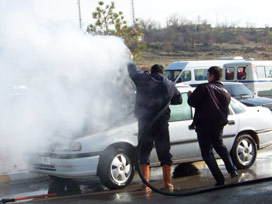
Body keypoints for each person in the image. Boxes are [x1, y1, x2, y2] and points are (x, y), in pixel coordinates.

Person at [127, 60, 182, 192]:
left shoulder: (143, 79)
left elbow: (132, 72)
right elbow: (178, 99)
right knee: (164, 152)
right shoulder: (169, 84)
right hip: (161, 123)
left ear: (151, 72)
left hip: (145, 122)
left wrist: (129, 58)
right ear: (162, 73)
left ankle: (145, 185)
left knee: (144, 152)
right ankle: (167, 184)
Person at [187, 66, 238, 186]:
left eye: (208, 74)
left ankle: (220, 179)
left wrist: (190, 96)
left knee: (207, 153)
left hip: (204, 124)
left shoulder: (204, 87)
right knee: (220, 146)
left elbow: (192, 102)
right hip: (218, 124)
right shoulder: (225, 91)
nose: (206, 77)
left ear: (212, 76)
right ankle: (232, 169)